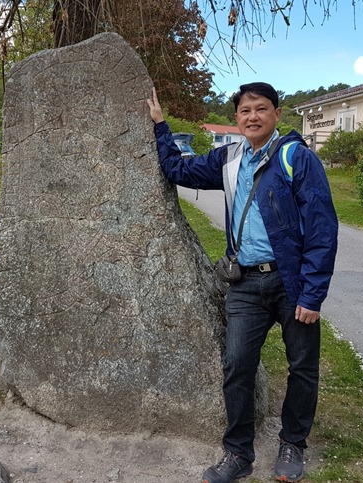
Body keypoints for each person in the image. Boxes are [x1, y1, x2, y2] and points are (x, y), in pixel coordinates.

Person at [147, 82, 338, 483]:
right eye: (245, 110)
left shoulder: (295, 158)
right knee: (237, 366)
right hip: (246, 284)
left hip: (292, 283)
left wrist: (312, 293)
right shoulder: (229, 159)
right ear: (236, 118)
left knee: (302, 367)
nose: (253, 116)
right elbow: (178, 170)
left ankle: (293, 443)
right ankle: (238, 453)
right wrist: (161, 126)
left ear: (276, 114)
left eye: (261, 109)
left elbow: (322, 228)